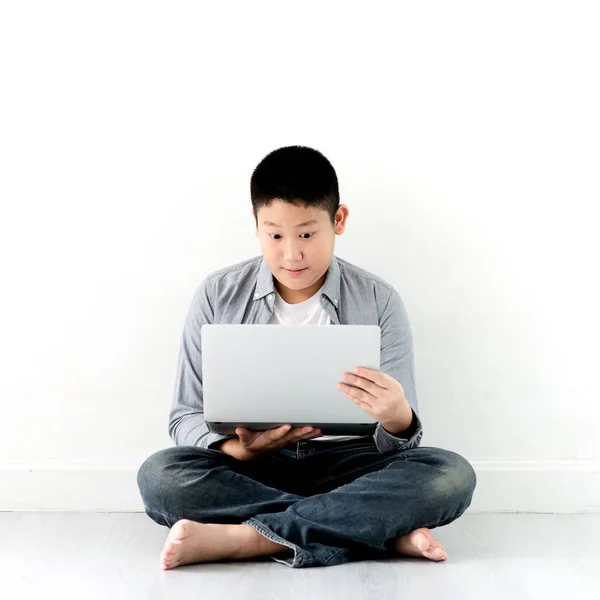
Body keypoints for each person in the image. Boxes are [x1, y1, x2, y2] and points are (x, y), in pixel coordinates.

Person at [136, 145, 477, 570]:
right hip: (256, 467)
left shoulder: (379, 298)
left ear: (338, 221)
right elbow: (184, 416)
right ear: (256, 226)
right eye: (275, 235)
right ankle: (372, 529)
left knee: (450, 475)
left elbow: (402, 439)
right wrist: (243, 452)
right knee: (160, 476)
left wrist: (397, 415)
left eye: (307, 234)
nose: (291, 254)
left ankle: (249, 539)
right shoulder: (216, 293)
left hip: (353, 464)